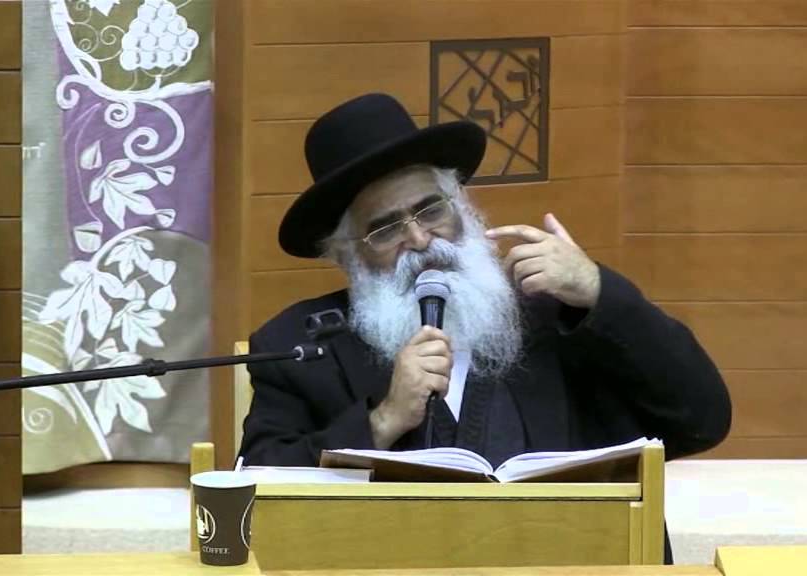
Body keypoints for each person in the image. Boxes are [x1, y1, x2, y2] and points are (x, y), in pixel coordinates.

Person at [239, 93, 732, 564]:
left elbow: (702, 420)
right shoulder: (300, 346)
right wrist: (381, 422)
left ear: (461, 206)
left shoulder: (558, 311)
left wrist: (599, 292)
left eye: (431, 209)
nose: (420, 238)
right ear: (348, 253)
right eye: (386, 228)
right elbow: (257, 495)